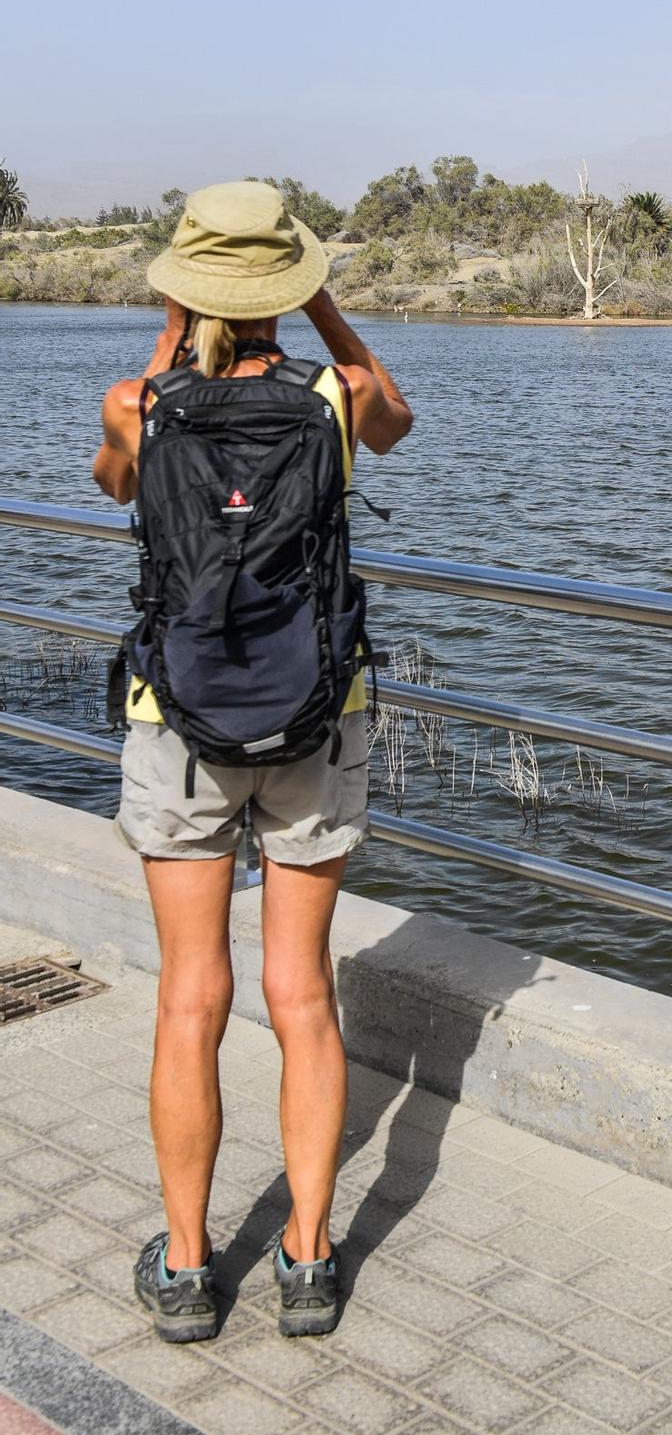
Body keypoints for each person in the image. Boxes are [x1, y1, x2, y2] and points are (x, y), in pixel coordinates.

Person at [93, 180, 412, 1342]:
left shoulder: (139, 399)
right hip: (318, 712)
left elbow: (113, 479)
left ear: (185, 285)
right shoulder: (338, 397)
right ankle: (310, 1258)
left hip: (176, 717)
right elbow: (398, 419)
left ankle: (185, 1271)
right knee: (301, 993)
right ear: (289, 281)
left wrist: (169, 338)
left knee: (191, 994)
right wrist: (326, 313)